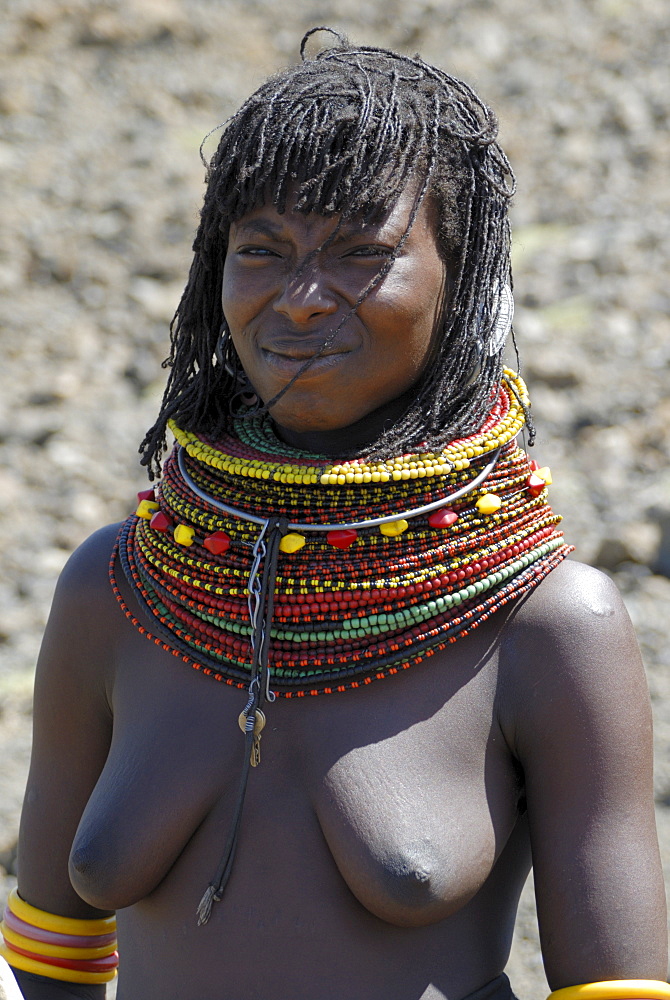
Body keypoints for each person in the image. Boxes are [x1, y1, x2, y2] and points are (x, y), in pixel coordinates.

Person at [2, 27, 667, 1000]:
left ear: (462, 274)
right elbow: (52, 956)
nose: (302, 299)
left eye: (362, 254)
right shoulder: (118, 587)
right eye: (261, 250)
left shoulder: (545, 623)